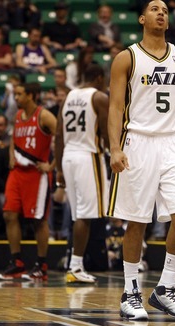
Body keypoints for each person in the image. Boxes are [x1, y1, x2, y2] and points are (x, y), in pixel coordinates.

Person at [107, 0, 175, 321]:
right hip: (138, 142)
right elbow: (115, 107)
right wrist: (115, 147)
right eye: (155, 9)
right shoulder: (125, 57)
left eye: (166, 11)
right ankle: (130, 292)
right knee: (138, 220)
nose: (161, 13)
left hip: (173, 142)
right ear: (143, 18)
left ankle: (165, 288)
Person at [0, 83, 57, 281]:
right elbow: (14, 138)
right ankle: (17, 262)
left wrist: (51, 165)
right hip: (17, 173)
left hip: (36, 174)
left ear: (31, 95)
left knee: (38, 220)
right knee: (9, 214)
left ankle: (42, 264)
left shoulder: (44, 116)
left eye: (20, 94)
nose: (16, 98)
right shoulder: (18, 116)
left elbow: (64, 138)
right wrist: (12, 154)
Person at [54, 64, 109, 283]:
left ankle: (75, 265)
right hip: (89, 156)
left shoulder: (68, 97)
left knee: (79, 215)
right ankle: (75, 266)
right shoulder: (99, 97)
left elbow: (58, 135)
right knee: (86, 216)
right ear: (98, 78)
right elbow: (106, 133)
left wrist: (59, 168)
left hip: (68, 156)